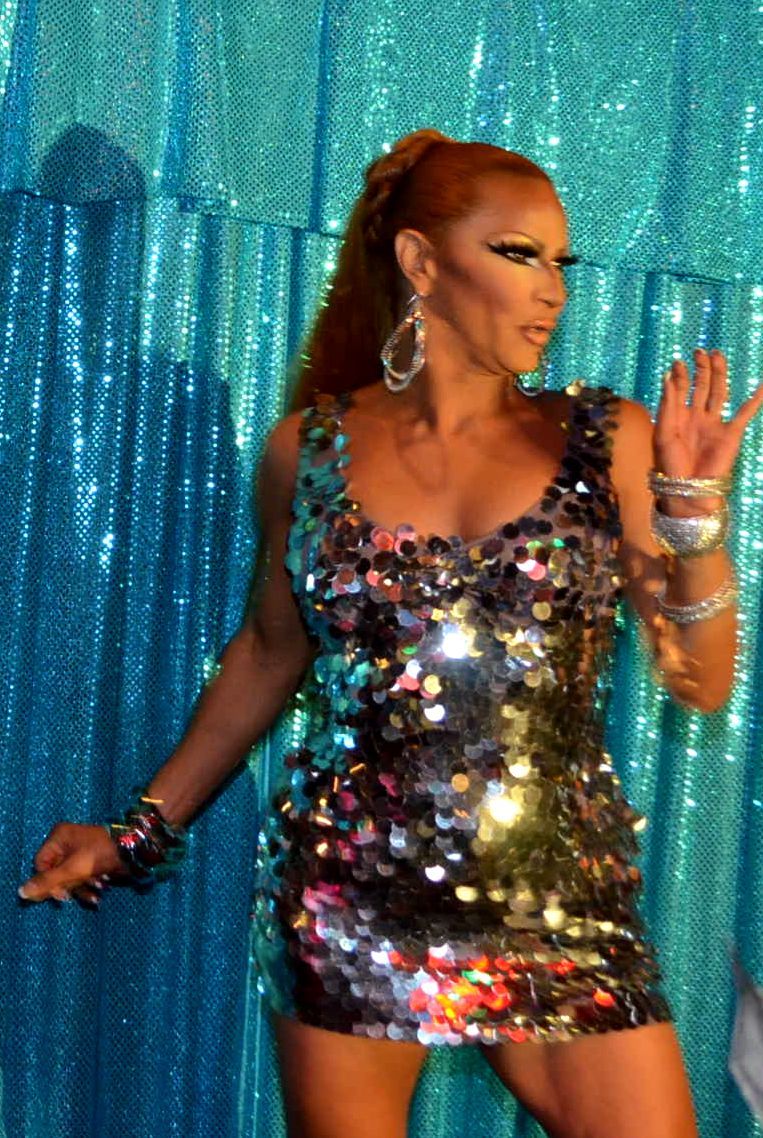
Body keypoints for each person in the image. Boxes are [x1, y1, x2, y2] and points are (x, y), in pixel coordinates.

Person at [17, 127, 763, 1138]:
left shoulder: (609, 439)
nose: (551, 290)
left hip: (559, 899)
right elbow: (267, 655)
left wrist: (693, 522)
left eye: (561, 263)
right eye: (518, 254)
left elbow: (702, 681)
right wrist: (138, 831)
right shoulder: (308, 451)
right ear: (420, 260)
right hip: (349, 895)